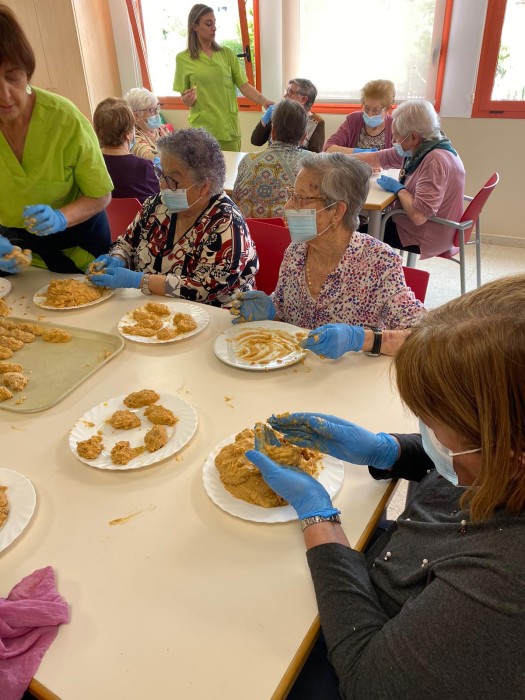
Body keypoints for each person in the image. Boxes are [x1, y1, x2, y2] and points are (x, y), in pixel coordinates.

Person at [245, 274, 525, 699]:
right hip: (393, 559)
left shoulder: (503, 584)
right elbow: (460, 462)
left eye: (433, 425)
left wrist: (319, 518)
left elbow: (368, 681)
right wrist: (386, 450)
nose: (425, 432)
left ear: (509, 453)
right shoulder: (496, 460)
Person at [231, 153, 424, 357]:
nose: (287, 207)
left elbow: (421, 337)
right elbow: (286, 319)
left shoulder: (378, 262)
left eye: (300, 198)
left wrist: (361, 339)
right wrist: (271, 311)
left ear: (337, 211)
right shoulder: (296, 251)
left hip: (349, 374)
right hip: (297, 370)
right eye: (291, 195)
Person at [87, 128, 258, 308]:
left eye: (173, 180)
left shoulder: (227, 224)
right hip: (151, 310)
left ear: (204, 187)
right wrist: (117, 257)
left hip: (213, 316)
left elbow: (204, 288)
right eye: (161, 174)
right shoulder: (157, 205)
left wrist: (140, 280)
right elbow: (127, 242)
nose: (162, 185)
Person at [0, 4, 112, 274]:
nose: (4, 96)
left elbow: (100, 195)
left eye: (12, 77)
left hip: (79, 247)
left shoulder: (65, 120)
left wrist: (61, 217)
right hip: (16, 253)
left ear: (27, 70)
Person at [354, 98, 465, 259]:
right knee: (362, 223)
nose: (393, 142)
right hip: (428, 226)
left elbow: (419, 216)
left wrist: (400, 189)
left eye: (396, 138)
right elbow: (378, 158)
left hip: (425, 234)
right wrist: (338, 158)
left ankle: (374, 272)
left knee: (353, 233)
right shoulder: (427, 146)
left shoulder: (434, 161)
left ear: (413, 137)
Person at [173, 4, 273, 151]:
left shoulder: (226, 54)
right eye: (208, 24)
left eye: (214, 23)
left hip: (228, 130)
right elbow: (184, 98)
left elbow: (244, 85)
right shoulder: (183, 59)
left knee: (231, 166)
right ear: (194, 26)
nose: (214, 28)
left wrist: (264, 101)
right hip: (202, 133)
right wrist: (187, 99)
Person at [232, 100, 309, 219]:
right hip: (289, 230)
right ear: (304, 137)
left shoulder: (247, 160)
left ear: (272, 133)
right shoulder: (312, 163)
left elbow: (235, 201)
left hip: (248, 229)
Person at [93, 97, 159, 204]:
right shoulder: (144, 167)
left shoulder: (91, 163)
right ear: (128, 134)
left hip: (106, 214)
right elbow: (159, 198)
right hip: (138, 215)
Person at [251, 78, 325, 153]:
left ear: (303, 100)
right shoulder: (278, 114)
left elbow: (315, 154)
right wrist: (265, 118)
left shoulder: (316, 122)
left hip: (299, 160)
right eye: (287, 91)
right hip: (272, 158)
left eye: (291, 93)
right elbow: (256, 141)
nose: (285, 96)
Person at [324, 79, 395, 154]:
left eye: (376, 110)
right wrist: (357, 152)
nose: (370, 115)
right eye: (366, 108)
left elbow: (400, 157)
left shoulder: (395, 126)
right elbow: (329, 148)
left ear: (387, 109)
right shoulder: (353, 120)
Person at [124, 87, 171, 161]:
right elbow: (149, 156)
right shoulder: (133, 136)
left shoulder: (161, 128)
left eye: (157, 108)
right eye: (152, 110)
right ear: (136, 115)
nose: (157, 113)